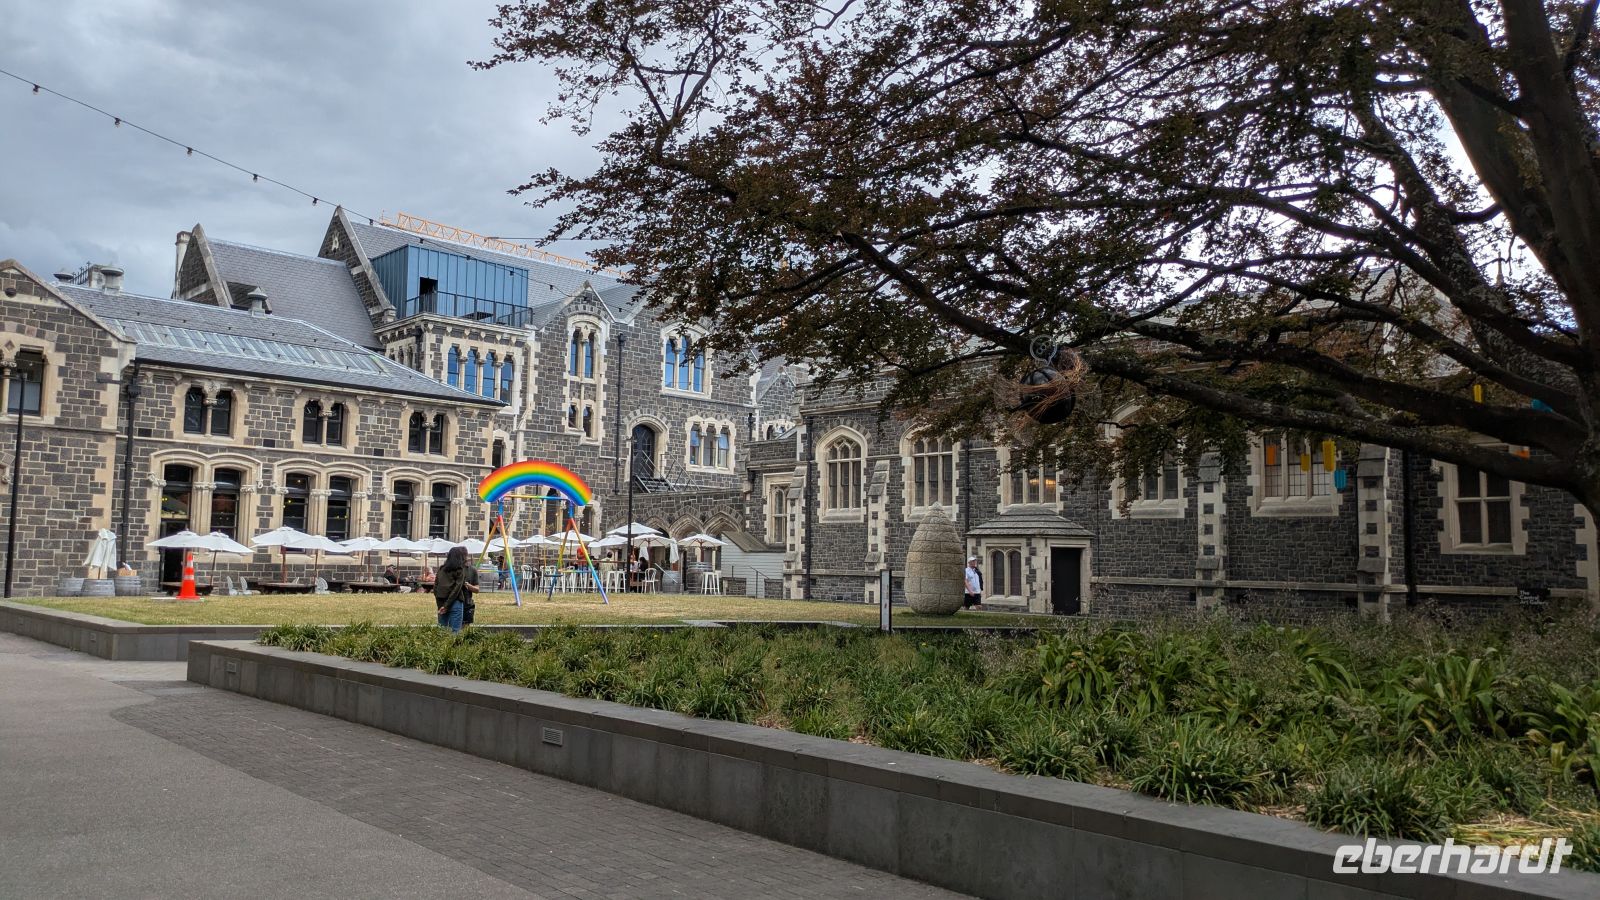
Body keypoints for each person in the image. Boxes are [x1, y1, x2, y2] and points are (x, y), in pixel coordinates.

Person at [433, 547, 479, 633]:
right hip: (455, 602)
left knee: (442, 630)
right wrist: (446, 605)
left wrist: (442, 605)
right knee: (455, 631)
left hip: (442, 602)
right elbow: (456, 590)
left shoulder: (441, 569)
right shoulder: (460, 570)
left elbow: (436, 588)